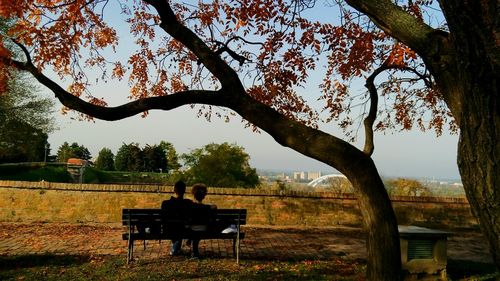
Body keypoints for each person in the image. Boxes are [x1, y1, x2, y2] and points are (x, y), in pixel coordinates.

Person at [161, 180, 192, 256]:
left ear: (174, 190)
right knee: (180, 226)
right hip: (183, 229)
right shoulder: (188, 203)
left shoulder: (165, 203)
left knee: (175, 226)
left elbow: (163, 218)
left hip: (168, 229)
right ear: (184, 191)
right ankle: (176, 248)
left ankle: (176, 248)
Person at [188, 183, 216, 258]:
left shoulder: (190, 206)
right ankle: (194, 251)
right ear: (204, 196)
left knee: (193, 231)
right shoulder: (207, 207)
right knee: (197, 233)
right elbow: (214, 207)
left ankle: (194, 252)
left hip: (191, 229)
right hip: (204, 229)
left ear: (194, 194)